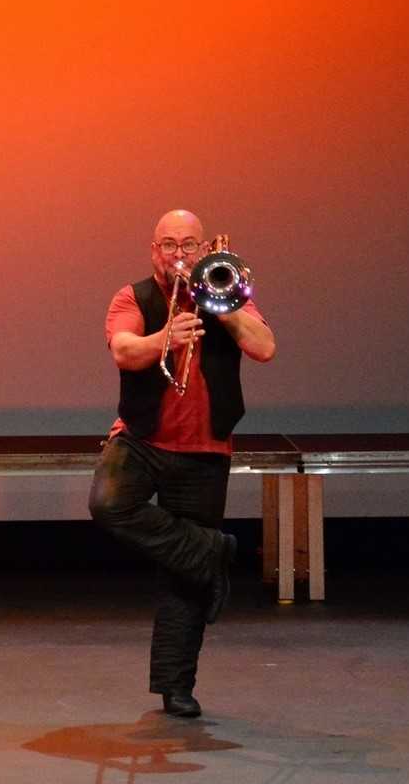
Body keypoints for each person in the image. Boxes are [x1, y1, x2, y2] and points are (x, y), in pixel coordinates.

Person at [88, 208, 275, 719]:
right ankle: (213, 551)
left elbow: (265, 347)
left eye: (189, 245)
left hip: (205, 448)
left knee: (183, 576)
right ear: (154, 251)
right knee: (108, 504)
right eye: (169, 245)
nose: (179, 255)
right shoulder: (134, 297)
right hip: (142, 437)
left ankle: (176, 687)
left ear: (204, 250)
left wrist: (223, 306)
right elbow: (125, 351)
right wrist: (162, 339)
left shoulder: (228, 292)